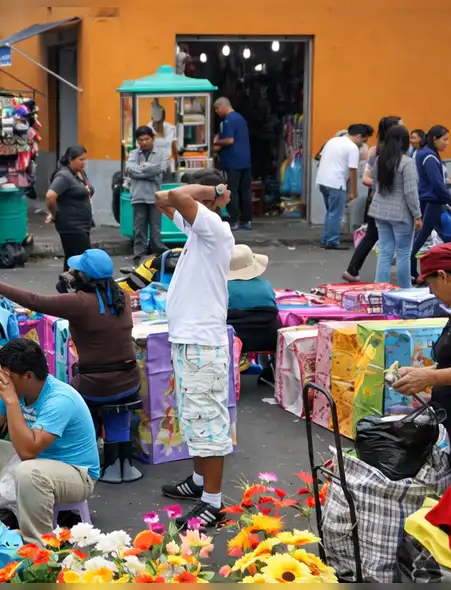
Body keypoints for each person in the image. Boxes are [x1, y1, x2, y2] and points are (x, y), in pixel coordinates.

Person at [0, 248, 143, 484]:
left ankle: (70, 450)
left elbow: (34, 301)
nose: (70, 273)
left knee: (69, 397)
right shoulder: (121, 296)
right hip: (130, 381)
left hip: (95, 386)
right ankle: (120, 461)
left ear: (83, 277)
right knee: (114, 398)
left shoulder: (78, 302)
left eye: (75, 270)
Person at [0, 338, 100, 545]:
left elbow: (27, 452)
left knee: (28, 471)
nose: (2, 380)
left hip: (77, 473)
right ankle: (4, 513)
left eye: (7, 375)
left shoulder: (59, 399)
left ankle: (38, 544)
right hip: (34, 464)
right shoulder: (14, 390)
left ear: (28, 376)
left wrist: (12, 401)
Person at [156, 182, 235, 527]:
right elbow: (162, 199)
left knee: (209, 423)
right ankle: (200, 483)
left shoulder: (214, 228)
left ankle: (212, 503)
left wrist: (211, 190)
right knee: (194, 419)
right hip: (190, 342)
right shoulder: (197, 231)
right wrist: (209, 193)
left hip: (202, 343)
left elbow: (176, 196)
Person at [392, 243, 451, 477]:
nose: (432, 293)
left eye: (431, 284)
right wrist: (421, 374)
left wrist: (429, 376)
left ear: (443, 276)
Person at [345, 116, 403, 282]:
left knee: (374, 237)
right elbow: (366, 179)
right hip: (383, 201)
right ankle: (399, 276)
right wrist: (385, 184)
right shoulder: (379, 151)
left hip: (378, 201)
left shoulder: (384, 150)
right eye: (401, 126)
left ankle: (353, 270)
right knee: (390, 238)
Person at [369, 124, 422, 287]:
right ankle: (405, 289)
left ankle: (380, 288)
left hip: (380, 211)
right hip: (401, 214)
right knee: (403, 253)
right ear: (404, 142)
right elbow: (410, 192)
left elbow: (375, 184)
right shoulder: (407, 162)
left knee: (385, 252)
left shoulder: (380, 160)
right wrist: (417, 215)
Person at [411, 125, 451, 282]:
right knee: (422, 238)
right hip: (431, 202)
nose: (447, 143)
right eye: (445, 139)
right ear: (434, 139)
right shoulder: (429, 157)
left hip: (433, 202)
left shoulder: (427, 154)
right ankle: (411, 271)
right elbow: (437, 183)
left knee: (447, 236)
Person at [316, 123, 373, 249]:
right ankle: (332, 241)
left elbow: (321, 157)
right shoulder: (352, 147)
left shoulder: (332, 141)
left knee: (330, 212)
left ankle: (326, 239)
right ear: (358, 136)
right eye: (364, 140)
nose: (363, 143)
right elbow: (352, 170)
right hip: (336, 183)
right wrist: (354, 191)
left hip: (322, 181)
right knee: (336, 213)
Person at [227, 245, 280, 375]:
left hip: (233, 339)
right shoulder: (265, 285)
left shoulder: (221, 288)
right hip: (269, 338)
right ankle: (269, 370)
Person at [45, 145, 94, 272]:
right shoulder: (64, 176)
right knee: (82, 259)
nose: (84, 163)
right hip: (72, 225)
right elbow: (50, 196)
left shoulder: (80, 173)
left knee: (73, 259)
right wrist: (53, 213)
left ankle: (68, 282)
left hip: (82, 224)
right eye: (80, 159)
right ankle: (74, 282)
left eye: (85, 159)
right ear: (70, 159)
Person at [125, 126, 167, 263]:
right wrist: (150, 171)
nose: (143, 142)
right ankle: (139, 254)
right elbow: (129, 169)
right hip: (138, 196)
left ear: (152, 139)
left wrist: (142, 170)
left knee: (156, 228)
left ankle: (157, 254)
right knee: (139, 228)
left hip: (155, 196)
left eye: (146, 139)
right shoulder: (134, 154)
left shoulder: (161, 152)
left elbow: (161, 168)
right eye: (141, 140)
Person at [213, 97, 253, 230]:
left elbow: (229, 140)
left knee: (232, 191)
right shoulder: (240, 118)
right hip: (245, 161)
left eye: (217, 109)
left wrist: (215, 142)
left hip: (232, 162)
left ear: (223, 106)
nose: (216, 112)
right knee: (245, 190)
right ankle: (246, 220)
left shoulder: (228, 120)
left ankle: (234, 219)